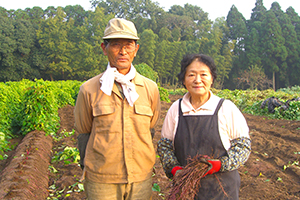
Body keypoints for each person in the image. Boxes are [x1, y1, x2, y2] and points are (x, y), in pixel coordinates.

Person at [74, 18, 161, 200]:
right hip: (101, 180)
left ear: (136, 50)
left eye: (128, 45)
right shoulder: (89, 89)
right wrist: (88, 168)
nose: (123, 51)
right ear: (104, 48)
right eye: (115, 45)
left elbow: (150, 129)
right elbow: (84, 134)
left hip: (140, 179)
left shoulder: (150, 88)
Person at [157, 54, 251, 200]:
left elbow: (243, 146)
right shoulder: (176, 109)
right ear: (183, 79)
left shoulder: (226, 108)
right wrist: (175, 170)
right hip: (186, 189)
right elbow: (165, 146)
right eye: (191, 75)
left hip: (222, 190)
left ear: (212, 79)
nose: (197, 80)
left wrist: (220, 164)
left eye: (203, 74)